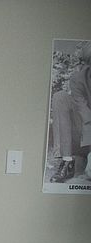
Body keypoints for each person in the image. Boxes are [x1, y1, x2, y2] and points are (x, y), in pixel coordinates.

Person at [50, 42, 91, 183]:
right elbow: (84, 112)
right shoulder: (78, 78)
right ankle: (67, 161)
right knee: (60, 97)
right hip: (84, 132)